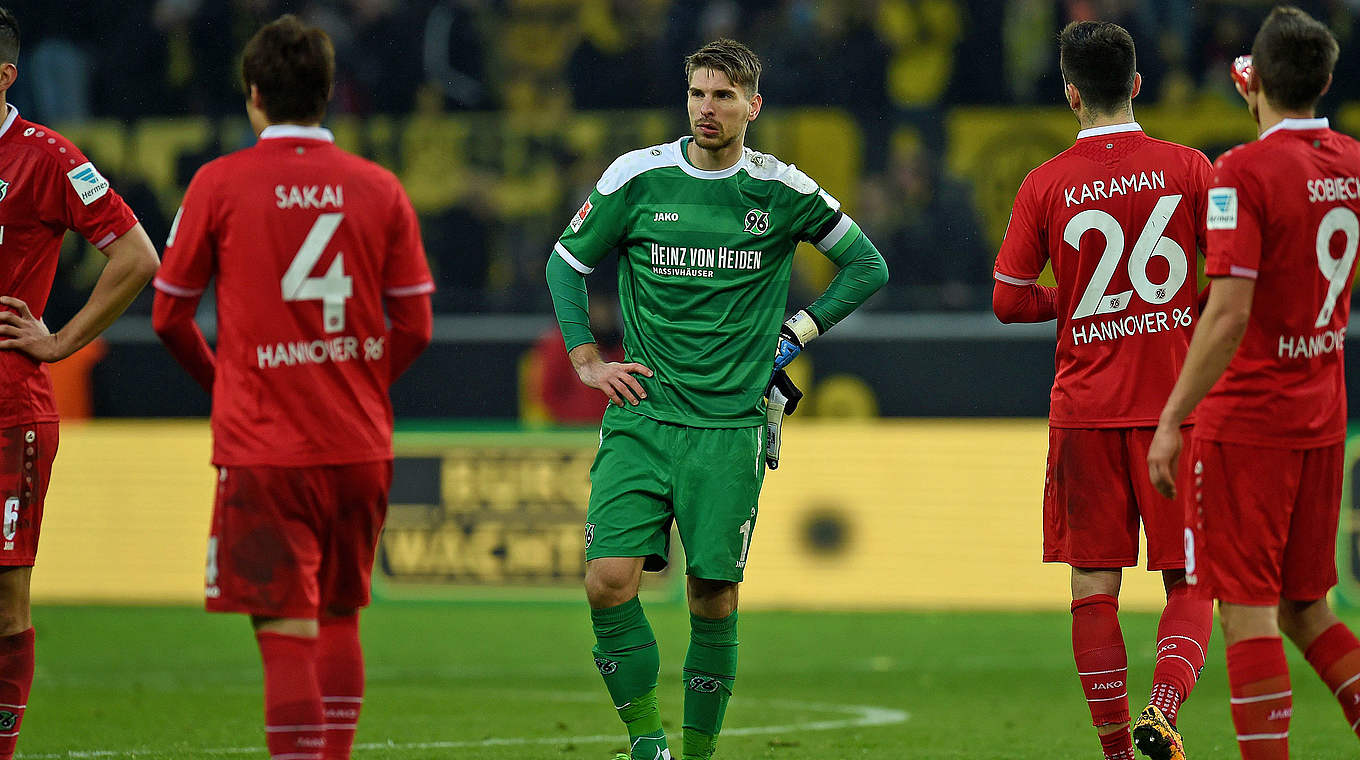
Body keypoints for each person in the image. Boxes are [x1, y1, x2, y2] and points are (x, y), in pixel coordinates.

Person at [545, 38, 887, 760]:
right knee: (607, 583)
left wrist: (795, 332)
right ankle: (647, 742)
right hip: (642, 414)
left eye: (724, 96)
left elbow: (866, 264)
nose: (708, 108)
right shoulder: (637, 177)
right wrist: (586, 358)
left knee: (712, 601)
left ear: (752, 106)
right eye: (699, 93)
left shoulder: (781, 189)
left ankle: (694, 755)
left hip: (729, 426)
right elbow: (565, 263)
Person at [151, 15, 433, 760]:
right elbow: (417, 323)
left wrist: (226, 384)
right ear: (329, 93)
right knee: (341, 616)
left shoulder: (218, 183)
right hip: (357, 444)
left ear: (254, 97)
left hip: (265, 448)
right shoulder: (380, 187)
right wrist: (358, 381)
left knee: (284, 632)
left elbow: (168, 314)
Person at [992, 21, 1215, 760]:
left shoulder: (1044, 182)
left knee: (1093, 585)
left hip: (1084, 412)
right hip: (1174, 414)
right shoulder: (1190, 168)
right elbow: (1237, 270)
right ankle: (1163, 707)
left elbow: (1007, 299)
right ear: (1139, 85)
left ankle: (1118, 753)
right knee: (1191, 576)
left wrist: (1079, 297)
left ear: (1070, 92)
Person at [1148, 6, 1360, 758]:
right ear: (1328, 80)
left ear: (1256, 82)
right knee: (1307, 606)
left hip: (1251, 422)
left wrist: (1174, 416)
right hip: (1324, 411)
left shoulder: (1242, 171)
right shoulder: (1353, 163)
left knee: (1246, 611)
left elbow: (1229, 312)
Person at [0, 8, 159, 758]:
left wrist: (59, 340)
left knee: (5, 597)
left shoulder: (47, 157)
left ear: (3, 76)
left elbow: (136, 257)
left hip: (8, 410)